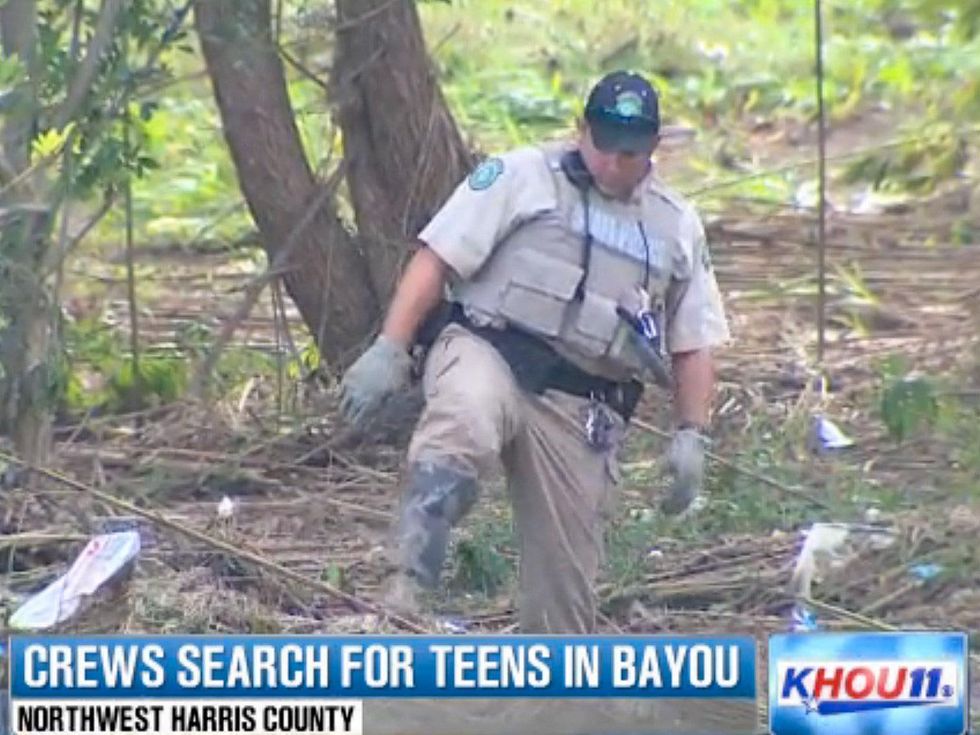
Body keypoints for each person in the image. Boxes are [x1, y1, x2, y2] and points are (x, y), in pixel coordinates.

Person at [338, 70, 730, 633]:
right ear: (581, 131)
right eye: (604, 147)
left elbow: (693, 340)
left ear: (653, 147)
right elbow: (438, 257)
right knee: (464, 423)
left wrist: (692, 433)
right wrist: (390, 347)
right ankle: (406, 589)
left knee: (565, 603)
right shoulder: (522, 176)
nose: (615, 165)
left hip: (581, 403)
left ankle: (540, 700)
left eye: (631, 153)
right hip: (489, 349)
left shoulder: (675, 226)